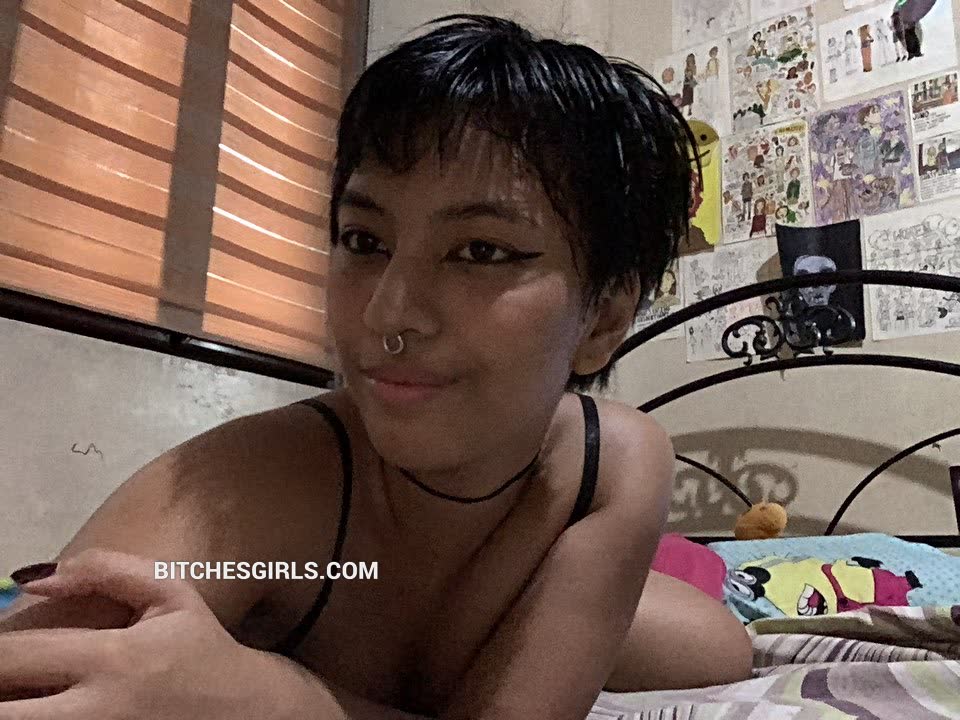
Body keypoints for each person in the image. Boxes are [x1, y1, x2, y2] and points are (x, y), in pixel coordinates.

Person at [0, 15, 752, 720]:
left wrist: (273, 698)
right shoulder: (251, 485)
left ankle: (680, 574)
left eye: (481, 251)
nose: (389, 314)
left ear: (605, 321)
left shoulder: (613, 464)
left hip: (599, 580)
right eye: (363, 240)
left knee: (722, 646)